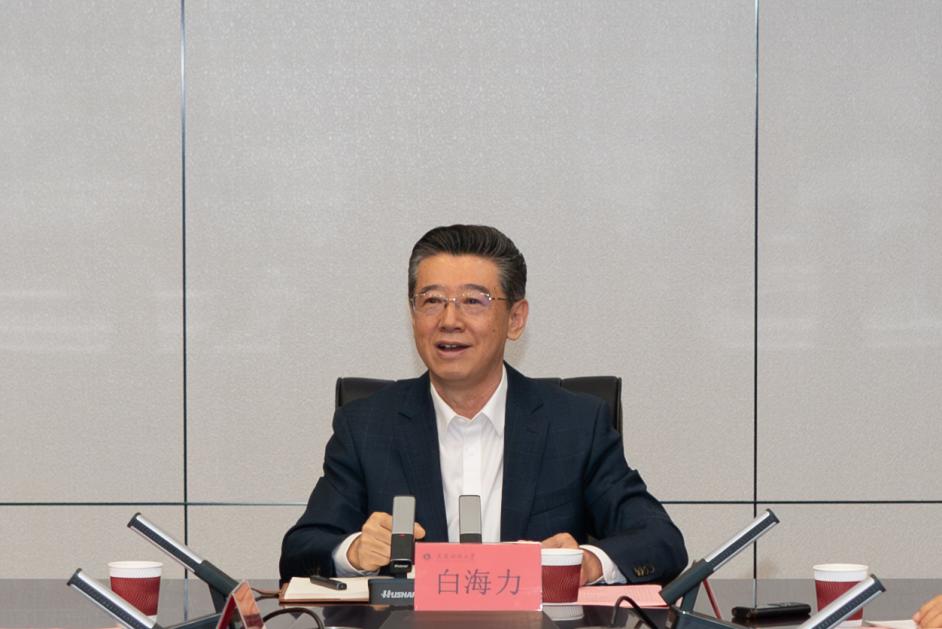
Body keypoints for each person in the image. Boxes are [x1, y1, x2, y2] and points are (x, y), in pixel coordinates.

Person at [279, 224, 687, 585]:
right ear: (413, 314)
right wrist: (353, 553)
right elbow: (301, 549)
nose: (449, 320)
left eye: (474, 301)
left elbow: (660, 540)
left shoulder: (577, 425)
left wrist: (587, 563)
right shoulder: (366, 425)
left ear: (516, 319)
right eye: (431, 300)